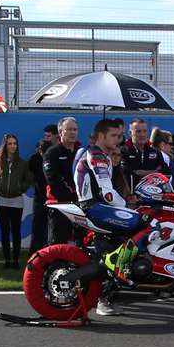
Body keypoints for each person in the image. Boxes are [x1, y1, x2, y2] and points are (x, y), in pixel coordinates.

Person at [75, 117, 146, 317]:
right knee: (144, 223)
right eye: (113, 136)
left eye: (119, 135)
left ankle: (112, 278)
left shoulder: (100, 154)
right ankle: (118, 267)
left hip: (97, 206)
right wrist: (129, 207)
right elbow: (107, 194)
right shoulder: (97, 156)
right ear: (100, 136)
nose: (118, 139)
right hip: (95, 206)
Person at [0, 132, 29, 268]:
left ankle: (15, 260)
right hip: (1, 200)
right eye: (10, 143)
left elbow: (27, 180)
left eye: (14, 143)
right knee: (4, 230)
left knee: (16, 231)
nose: (12, 146)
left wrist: (20, 188)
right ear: (5, 145)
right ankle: (7, 260)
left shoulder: (22, 163)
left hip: (16, 200)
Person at [43, 117, 83, 240]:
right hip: (59, 205)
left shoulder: (82, 152)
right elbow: (53, 179)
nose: (73, 132)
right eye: (69, 129)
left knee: (81, 242)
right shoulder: (52, 153)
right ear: (60, 132)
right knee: (58, 243)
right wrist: (72, 193)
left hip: (80, 205)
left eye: (75, 129)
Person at [28, 123, 58, 250]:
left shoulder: (58, 153)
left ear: (56, 136)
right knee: (37, 228)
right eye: (45, 136)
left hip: (55, 198)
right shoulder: (35, 157)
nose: (46, 138)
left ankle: (51, 254)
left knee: (54, 229)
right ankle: (34, 254)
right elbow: (29, 173)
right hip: (40, 197)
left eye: (49, 136)